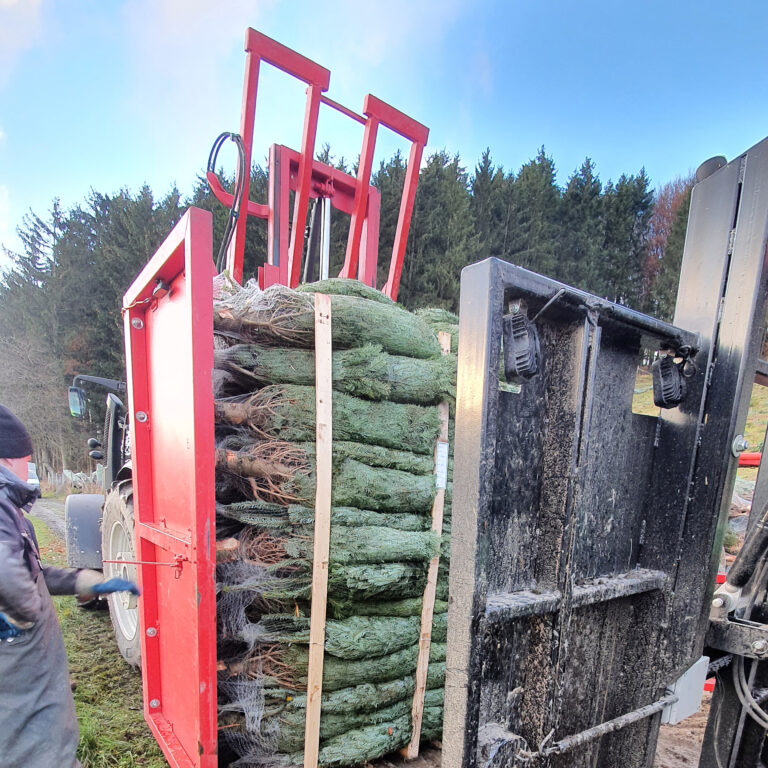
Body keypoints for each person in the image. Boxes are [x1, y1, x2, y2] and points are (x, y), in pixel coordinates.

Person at [0, 405, 140, 768]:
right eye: (22, 459)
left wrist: (83, 580)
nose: (26, 467)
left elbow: (27, 571)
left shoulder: (9, 510)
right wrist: (28, 620)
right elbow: (7, 578)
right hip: (18, 672)